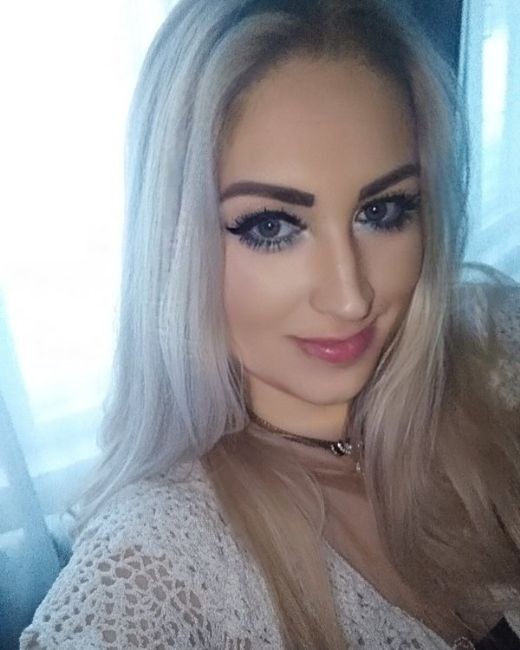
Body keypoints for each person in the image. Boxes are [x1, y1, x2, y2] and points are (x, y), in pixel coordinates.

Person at [19, 0, 520, 648]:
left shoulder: (494, 346)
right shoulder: (157, 566)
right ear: (176, 246)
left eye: (383, 210)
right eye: (271, 226)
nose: (350, 297)